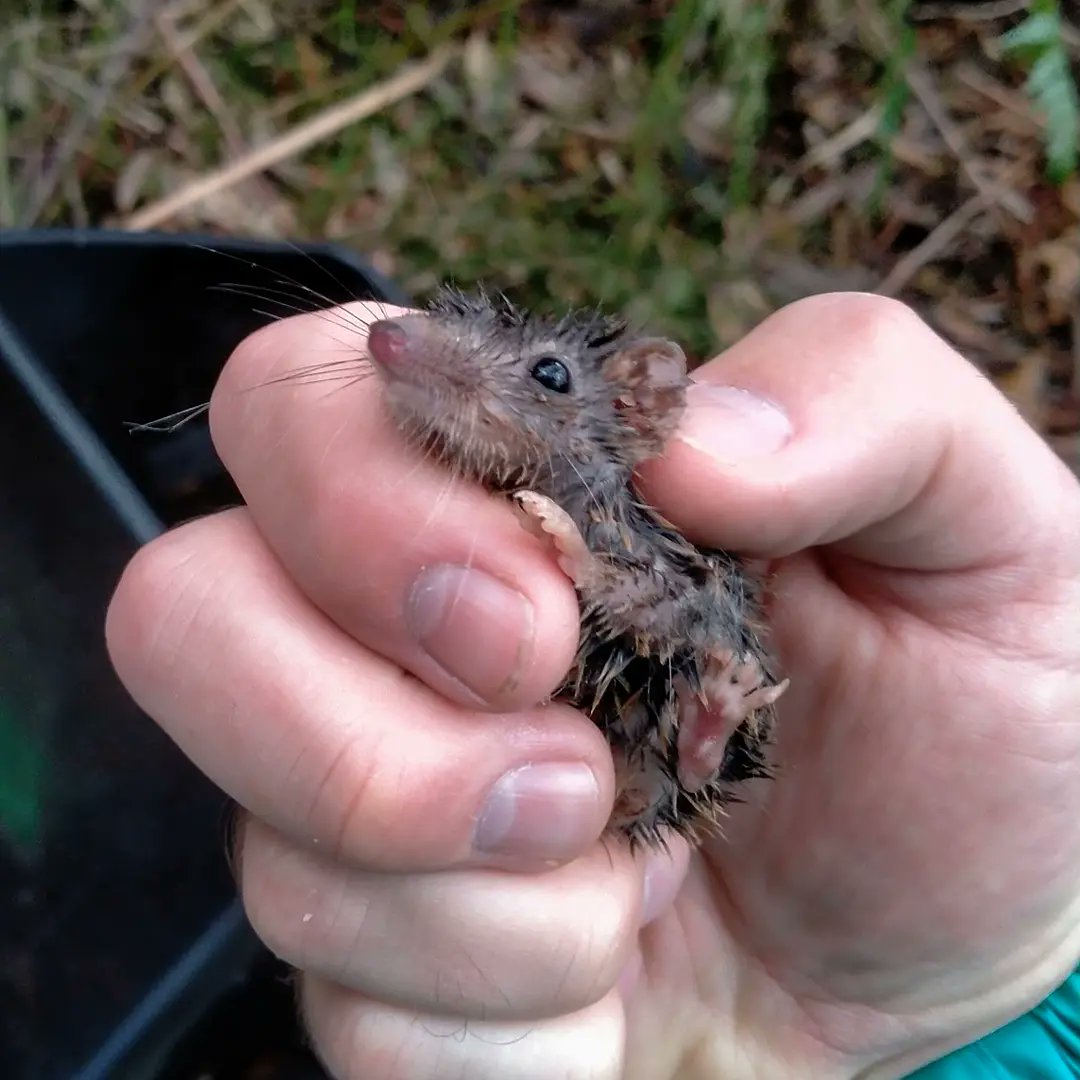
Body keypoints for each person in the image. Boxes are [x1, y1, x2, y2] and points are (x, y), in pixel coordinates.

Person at [105, 292, 1080, 1078]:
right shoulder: (473, 528)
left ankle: (687, 745)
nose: (403, 348)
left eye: (546, 375)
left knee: (677, 691)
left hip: (665, 691)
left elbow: (664, 609)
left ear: (641, 406)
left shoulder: (655, 513)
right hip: (606, 780)